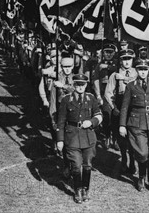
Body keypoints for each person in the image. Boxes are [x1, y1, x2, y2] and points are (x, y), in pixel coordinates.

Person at [119, 59, 149, 194]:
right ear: (136, 70)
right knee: (142, 152)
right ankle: (141, 177)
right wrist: (122, 125)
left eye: (145, 70)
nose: (143, 72)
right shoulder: (131, 86)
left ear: (148, 70)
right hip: (136, 123)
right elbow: (124, 107)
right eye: (140, 69)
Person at [56, 74, 102, 204]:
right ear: (74, 85)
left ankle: (85, 190)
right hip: (72, 137)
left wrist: (92, 122)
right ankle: (77, 190)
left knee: (87, 165)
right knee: (76, 165)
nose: (80, 87)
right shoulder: (66, 100)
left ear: (86, 85)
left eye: (82, 84)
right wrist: (60, 140)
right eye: (77, 84)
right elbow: (61, 121)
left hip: (88, 137)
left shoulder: (91, 98)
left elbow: (99, 114)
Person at [104, 48, 137, 175]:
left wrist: (125, 79)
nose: (127, 62)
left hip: (134, 108)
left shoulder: (137, 73)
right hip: (119, 105)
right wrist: (113, 107)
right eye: (124, 59)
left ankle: (133, 161)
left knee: (133, 136)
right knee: (121, 137)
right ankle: (124, 158)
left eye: (129, 59)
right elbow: (108, 93)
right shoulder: (114, 75)